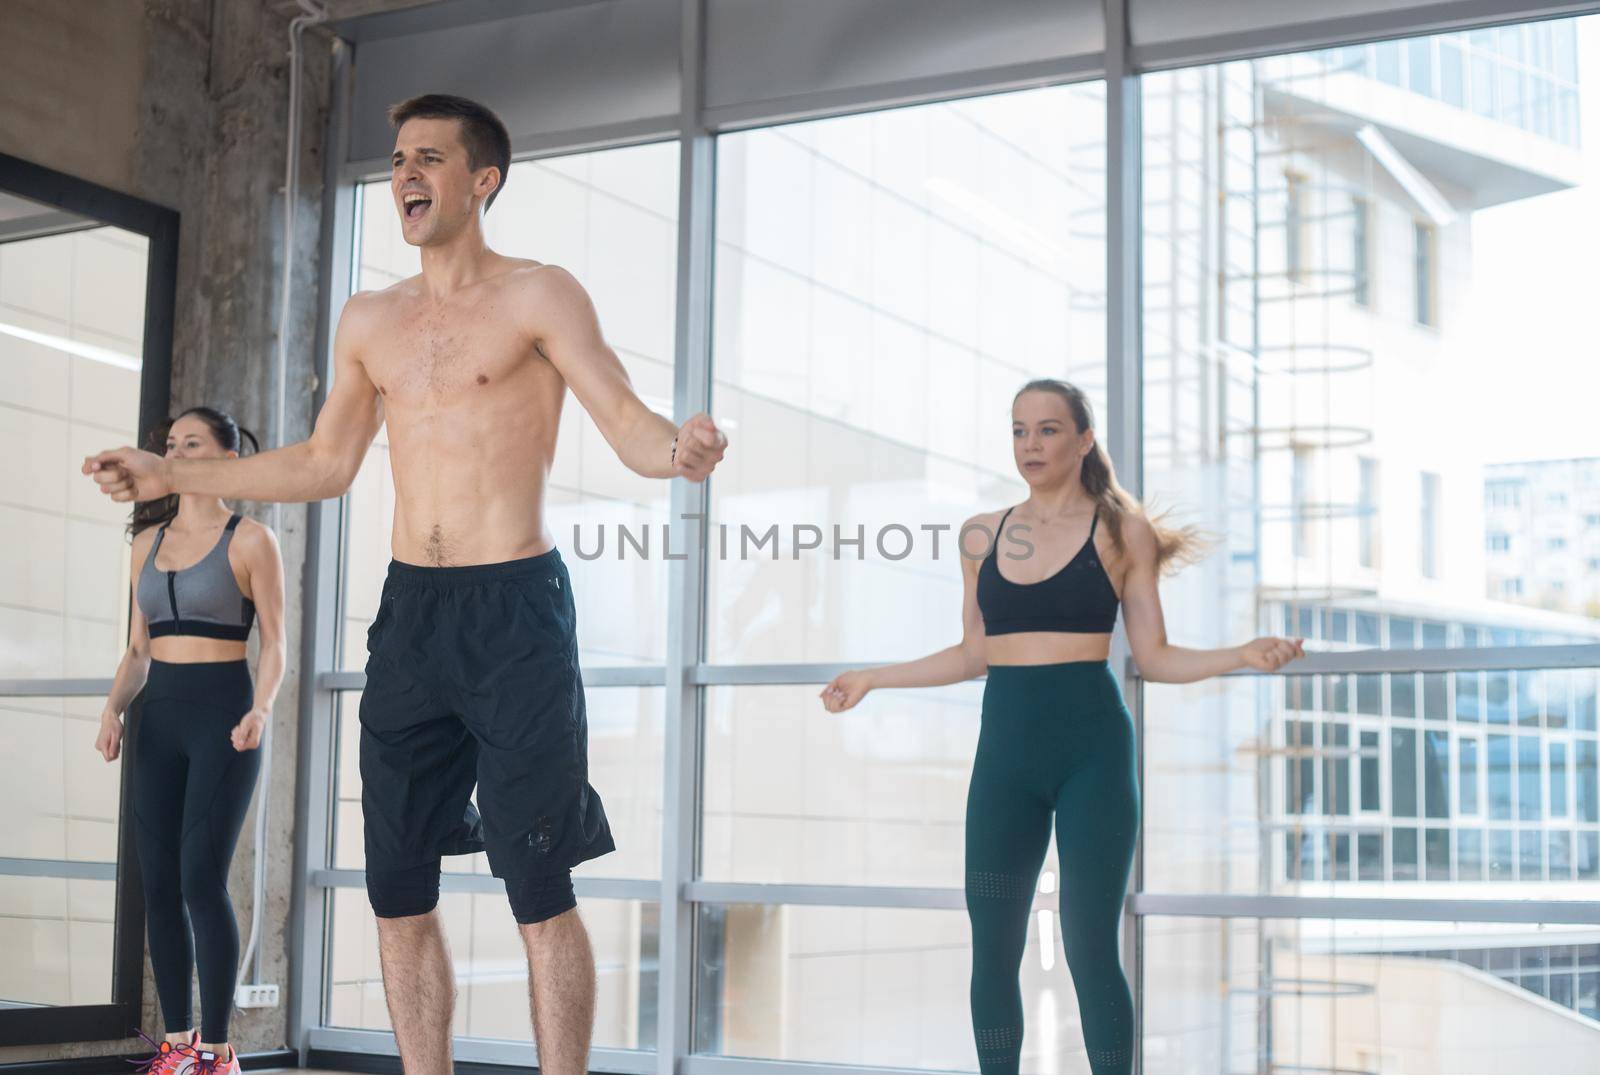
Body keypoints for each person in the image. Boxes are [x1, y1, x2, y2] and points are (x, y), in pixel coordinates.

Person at [83, 93, 726, 1075]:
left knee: (538, 885)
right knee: (396, 889)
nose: (405, 174)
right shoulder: (369, 319)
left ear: (483, 181)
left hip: (514, 612)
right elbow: (324, 464)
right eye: (394, 160)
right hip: (410, 618)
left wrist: (678, 449)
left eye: (428, 157)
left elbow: (627, 421)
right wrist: (177, 475)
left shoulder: (539, 295)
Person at [820, 378, 1304, 1075]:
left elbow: (1155, 656)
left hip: (1093, 757)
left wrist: (1243, 654)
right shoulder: (981, 535)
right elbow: (973, 652)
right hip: (1005, 760)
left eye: (1048, 429)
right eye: (1019, 430)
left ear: (1083, 440)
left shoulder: (1120, 532)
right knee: (993, 945)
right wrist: (873, 676)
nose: (1031, 444)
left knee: (1087, 943)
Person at [96, 407, 286, 1075]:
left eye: (192, 443)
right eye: (170, 444)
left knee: (201, 877)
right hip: (158, 718)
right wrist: (112, 709)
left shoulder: (252, 539)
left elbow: (275, 644)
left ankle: (217, 1049)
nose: (175, 453)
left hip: (225, 716)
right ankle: (175, 1046)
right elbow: (138, 649)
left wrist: (261, 709)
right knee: (158, 882)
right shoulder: (143, 544)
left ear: (226, 458)